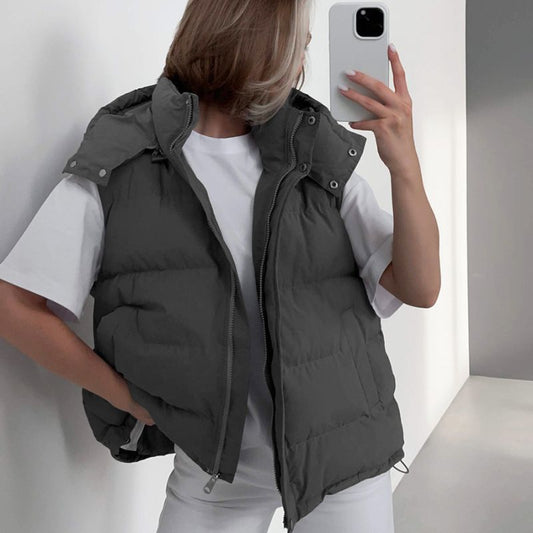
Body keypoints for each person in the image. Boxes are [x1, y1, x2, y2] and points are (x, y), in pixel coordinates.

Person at [0, 0, 440, 532]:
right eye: (297, 43)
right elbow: (15, 306)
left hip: (341, 464)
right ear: (257, 42)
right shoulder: (126, 156)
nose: (302, 59)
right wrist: (128, 398)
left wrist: (404, 165)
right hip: (213, 477)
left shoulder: (312, 148)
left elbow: (421, 288)